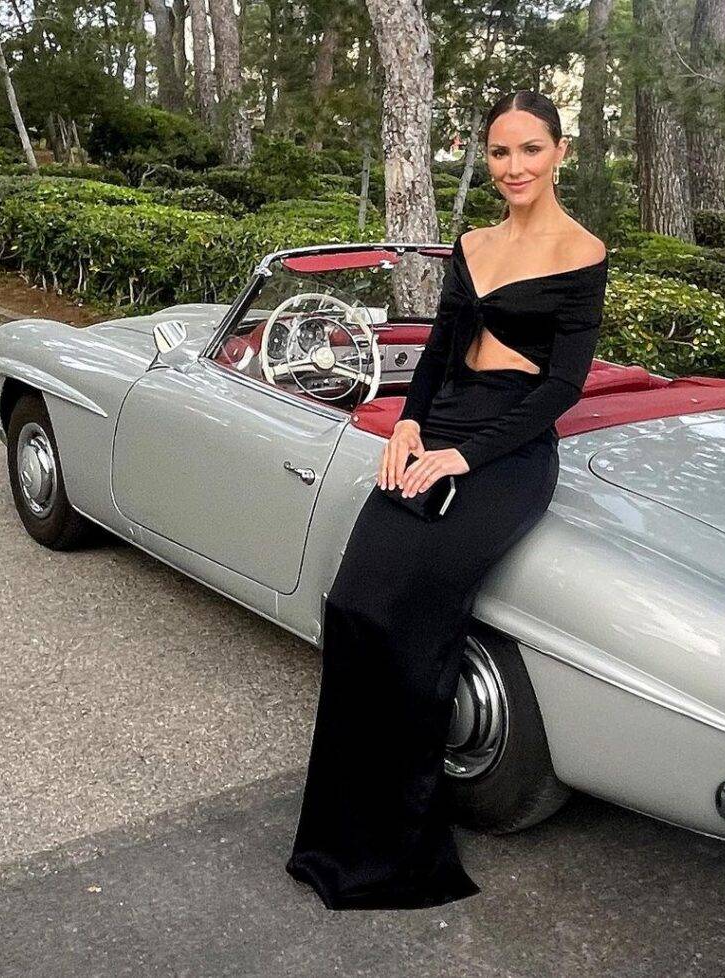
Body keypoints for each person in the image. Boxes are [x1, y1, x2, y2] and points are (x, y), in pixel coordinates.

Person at [286, 89, 609, 911]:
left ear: (559, 152)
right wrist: (409, 425)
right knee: (354, 606)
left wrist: (463, 455)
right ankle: (338, 834)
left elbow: (563, 389)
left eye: (530, 150)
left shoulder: (582, 252)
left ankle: (400, 846)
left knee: (410, 626)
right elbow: (438, 347)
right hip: (438, 434)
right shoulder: (471, 242)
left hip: (508, 455)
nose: (514, 168)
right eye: (500, 154)